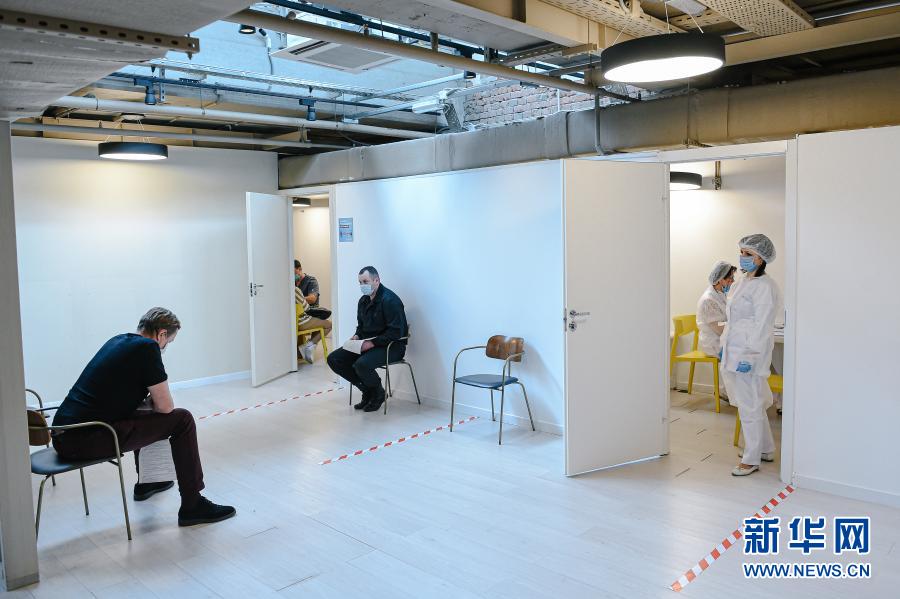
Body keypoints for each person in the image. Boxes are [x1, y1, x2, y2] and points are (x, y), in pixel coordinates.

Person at [52, 308, 236, 526]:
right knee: (182, 420)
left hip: (63, 435)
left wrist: (149, 404)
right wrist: (155, 403)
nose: (165, 347)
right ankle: (192, 504)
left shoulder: (118, 340)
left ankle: (148, 482)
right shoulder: (148, 348)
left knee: (147, 413)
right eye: (169, 342)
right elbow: (166, 407)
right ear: (161, 334)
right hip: (84, 439)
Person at [720, 234, 782, 477]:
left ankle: (751, 459)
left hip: (749, 354)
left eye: (748, 254)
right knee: (752, 402)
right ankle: (765, 449)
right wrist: (724, 345)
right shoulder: (742, 282)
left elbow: (762, 326)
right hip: (735, 350)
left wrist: (750, 356)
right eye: (741, 252)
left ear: (760, 258)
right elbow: (734, 320)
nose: (742, 257)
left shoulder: (765, 287)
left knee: (749, 406)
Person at [326, 266, 408, 412]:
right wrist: (357, 336)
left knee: (361, 364)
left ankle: (378, 393)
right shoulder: (363, 301)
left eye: (365, 281)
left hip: (392, 346)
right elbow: (361, 327)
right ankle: (367, 390)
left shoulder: (391, 300)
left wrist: (372, 343)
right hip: (368, 344)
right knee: (334, 359)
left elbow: (395, 333)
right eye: (360, 282)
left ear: (377, 280)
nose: (362, 285)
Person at [697, 260, 736, 357]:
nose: (733, 281)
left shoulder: (720, 294)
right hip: (713, 343)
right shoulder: (708, 300)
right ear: (720, 279)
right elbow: (718, 327)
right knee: (747, 354)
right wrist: (736, 327)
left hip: (721, 338)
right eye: (730, 278)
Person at [296, 285, 332, 363]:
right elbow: (306, 308)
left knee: (318, 321)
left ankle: (307, 347)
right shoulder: (296, 290)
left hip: (292, 323)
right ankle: (308, 345)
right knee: (329, 325)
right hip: (301, 321)